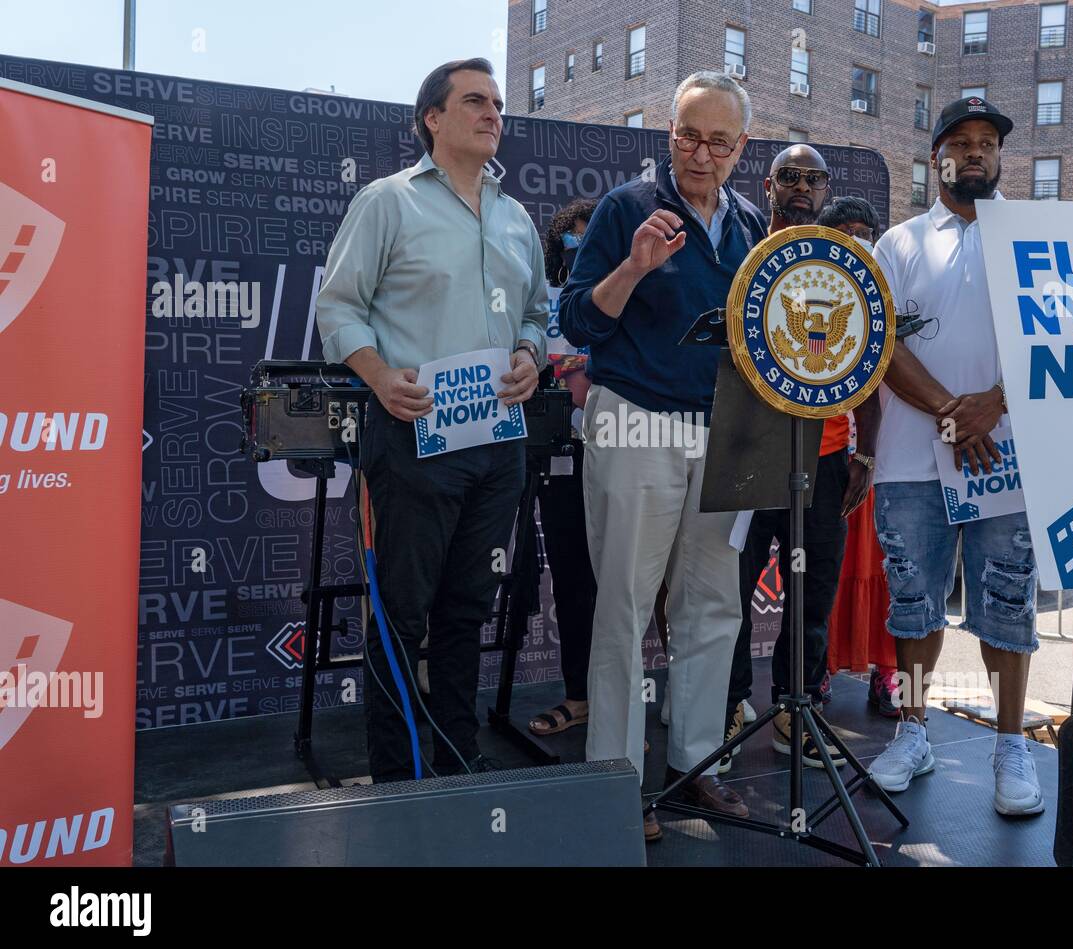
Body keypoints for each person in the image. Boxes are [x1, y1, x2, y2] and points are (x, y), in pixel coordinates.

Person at [315, 58, 546, 782]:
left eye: (498, 103)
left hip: (498, 444)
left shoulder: (515, 217)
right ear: (432, 119)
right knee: (400, 615)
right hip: (412, 437)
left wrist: (532, 355)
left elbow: (540, 313)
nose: (493, 113)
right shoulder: (388, 202)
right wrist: (379, 377)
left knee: (468, 608)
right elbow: (339, 304)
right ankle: (395, 775)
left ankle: (456, 757)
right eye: (474, 101)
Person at [559, 70, 767, 841]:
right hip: (636, 423)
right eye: (688, 135)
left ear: (742, 148)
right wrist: (635, 265)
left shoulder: (750, 222)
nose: (701, 153)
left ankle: (697, 767)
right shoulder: (626, 208)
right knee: (622, 607)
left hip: (724, 435)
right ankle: (614, 781)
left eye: (718, 140)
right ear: (667, 135)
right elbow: (579, 321)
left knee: (713, 608)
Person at [866, 96, 1044, 816]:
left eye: (987, 143)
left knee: (1008, 607)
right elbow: (878, 345)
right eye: (960, 142)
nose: (975, 152)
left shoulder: (1034, 239)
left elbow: (1054, 341)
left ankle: (1010, 743)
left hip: (1010, 459)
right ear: (935, 156)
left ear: (1000, 157)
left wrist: (992, 406)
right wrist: (950, 412)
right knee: (913, 609)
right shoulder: (898, 243)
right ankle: (913, 730)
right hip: (913, 460)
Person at [720, 150, 878, 774]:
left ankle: (795, 710)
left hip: (829, 453)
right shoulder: (740, 250)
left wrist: (863, 448)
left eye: (814, 178)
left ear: (826, 189)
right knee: (730, 591)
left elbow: (874, 359)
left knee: (811, 597)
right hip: (747, 450)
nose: (802, 187)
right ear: (769, 185)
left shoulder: (847, 264)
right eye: (790, 176)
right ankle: (728, 707)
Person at [816, 197, 900, 719]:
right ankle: (816, 673)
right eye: (845, 233)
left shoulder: (893, 294)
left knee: (890, 570)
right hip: (833, 458)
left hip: (889, 456)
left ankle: (886, 674)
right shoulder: (812, 298)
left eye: (865, 233)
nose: (857, 241)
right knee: (827, 572)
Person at [528, 199, 599, 738]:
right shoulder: (540, 298)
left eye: (590, 241)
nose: (580, 251)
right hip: (556, 455)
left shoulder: (623, 295)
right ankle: (580, 698)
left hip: (623, 450)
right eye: (571, 243)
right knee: (571, 578)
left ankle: (616, 707)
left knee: (618, 582)